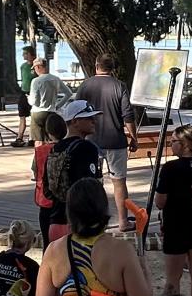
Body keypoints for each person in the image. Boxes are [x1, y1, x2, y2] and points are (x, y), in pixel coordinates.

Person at [77, 54, 137, 235]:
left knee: (94, 182)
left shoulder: (85, 85)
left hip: (91, 140)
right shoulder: (119, 86)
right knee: (119, 183)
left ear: (96, 66)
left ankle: (95, 221)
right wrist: (133, 137)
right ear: (113, 68)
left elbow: (77, 110)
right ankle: (123, 221)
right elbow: (128, 115)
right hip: (116, 141)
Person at [153, 125, 192, 296]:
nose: (171, 145)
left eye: (173, 141)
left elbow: (160, 202)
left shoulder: (170, 168)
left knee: (172, 276)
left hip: (175, 225)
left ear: (184, 144)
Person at [30, 111, 66, 247]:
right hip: (64, 202)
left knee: (47, 242)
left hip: (45, 199)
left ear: (48, 132)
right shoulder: (69, 148)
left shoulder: (41, 151)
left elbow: (35, 172)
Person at [27, 56, 67, 144]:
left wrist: (29, 98)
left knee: (38, 140)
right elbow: (68, 93)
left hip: (38, 112)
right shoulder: (55, 79)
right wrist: (58, 105)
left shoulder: (36, 81)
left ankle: (39, 157)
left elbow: (34, 102)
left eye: (34, 68)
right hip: (51, 111)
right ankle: (52, 156)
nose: (35, 71)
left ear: (38, 67)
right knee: (52, 138)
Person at [16, 44, 36, 145]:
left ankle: (32, 137)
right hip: (23, 93)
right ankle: (19, 137)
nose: (24, 55)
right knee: (22, 116)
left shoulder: (36, 66)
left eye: (26, 54)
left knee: (33, 116)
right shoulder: (23, 66)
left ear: (31, 55)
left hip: (33, 94)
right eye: (23, 54)